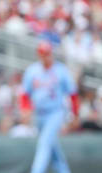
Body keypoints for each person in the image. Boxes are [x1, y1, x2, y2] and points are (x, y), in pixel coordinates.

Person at [20, 41, 79, 173]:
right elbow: (24, 94)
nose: (45, 56)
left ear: (51, 53)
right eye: (43, 54)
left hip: (55, 113)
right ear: (39, 55)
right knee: (52, 148)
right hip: (39, 114)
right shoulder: (32, 70)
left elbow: (73, 94)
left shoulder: (61, 70)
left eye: (47, 53)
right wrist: (25, 109)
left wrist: (75, 114)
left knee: (44, 143)